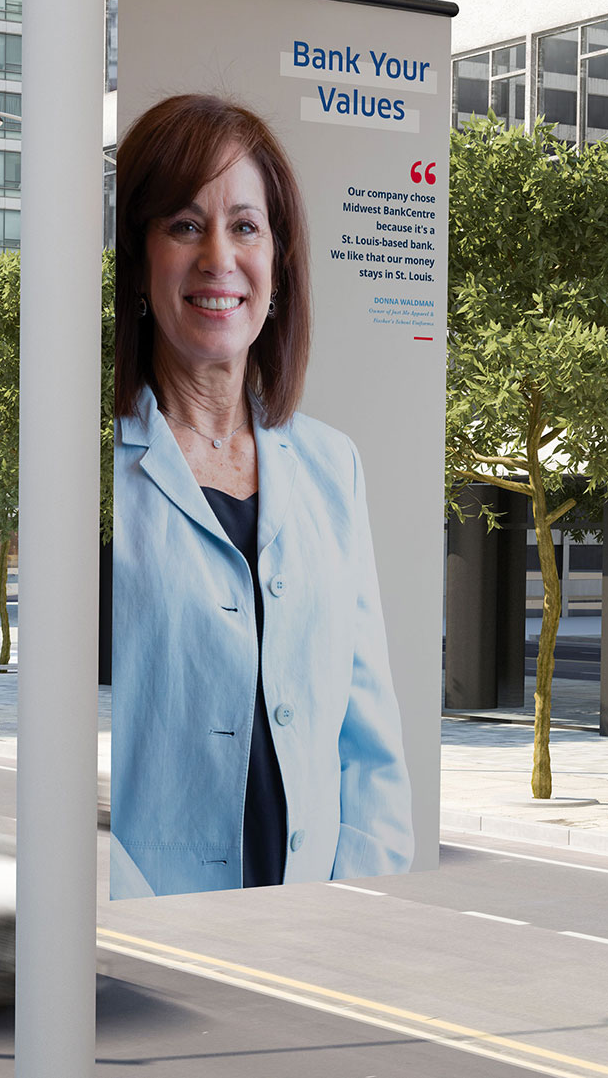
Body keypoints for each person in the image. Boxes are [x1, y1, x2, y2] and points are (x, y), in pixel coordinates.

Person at [107, 93, 413, 899]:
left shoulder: (332, 465)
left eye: (245, 226)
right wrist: (142, 934)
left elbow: (368, 740)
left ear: (277, 262)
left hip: (313, 937)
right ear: (138, 262)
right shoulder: (87, 473)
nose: (219, 256)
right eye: (183, 224)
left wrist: (361, 917)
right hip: (147, 944)